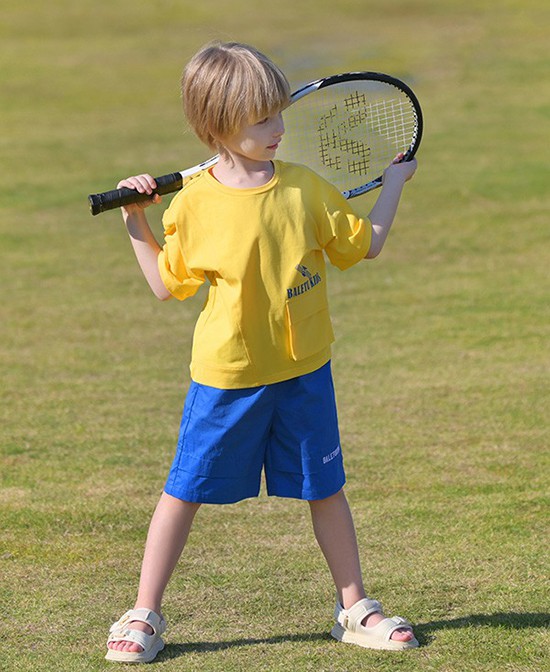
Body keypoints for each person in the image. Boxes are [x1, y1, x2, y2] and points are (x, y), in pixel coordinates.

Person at [105, 41, 419, 664]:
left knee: (325, 487)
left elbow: (367, 245)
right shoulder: (191, 202)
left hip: (304, 373)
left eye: (280, 114)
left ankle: (354, 608)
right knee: (184, 489)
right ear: (218, 124)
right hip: (227, 379)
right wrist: (135, 219)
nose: (280, 129)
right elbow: (167, 284)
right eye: (263, 120)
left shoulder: (306, 189)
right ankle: (143, 612)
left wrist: (392, 185)